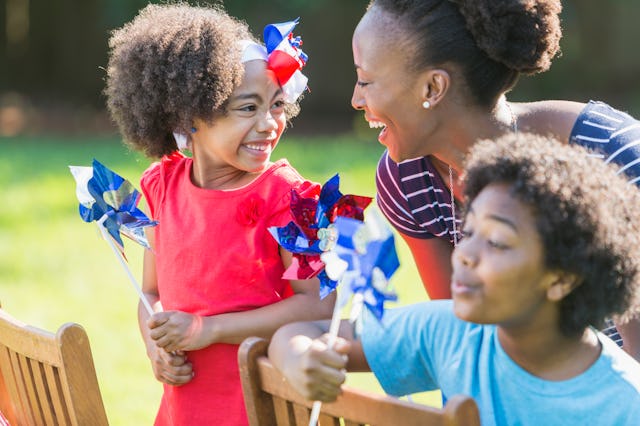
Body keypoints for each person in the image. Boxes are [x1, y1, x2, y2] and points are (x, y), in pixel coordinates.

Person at [268, 133, 640, 426]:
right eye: (469, 230)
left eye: (495, 241)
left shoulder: (625, 403)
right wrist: (300, 357)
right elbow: (305, 330)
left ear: (561, 278)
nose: (463, 252)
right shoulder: (452, 333)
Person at [351, 0, 640, 356]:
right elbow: (463, 336)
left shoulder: (612, 154)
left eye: (365, 80)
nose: (355, 99)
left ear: (432, 88)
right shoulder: (405, 182)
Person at [104, 4, 334, 425]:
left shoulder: (289, 198)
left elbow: (320, 305)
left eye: (278, 105)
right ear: (190, 118)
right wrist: (154, 344)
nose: (269, 123)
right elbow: (152, 294)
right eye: (248, 108)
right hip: (184, 408)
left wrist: (207, 330)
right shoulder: (161, 186)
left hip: (258, 407)